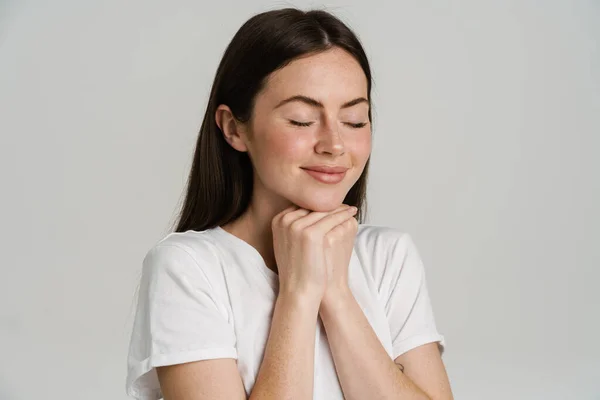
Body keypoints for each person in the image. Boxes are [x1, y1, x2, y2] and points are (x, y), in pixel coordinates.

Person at [126, 7, 453, 400]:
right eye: (301, 120)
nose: (334, 145)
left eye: (354, 120)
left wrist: (336, 292)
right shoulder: (189, 268)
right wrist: (299, 293)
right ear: (234, 128)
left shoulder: (389, 257)